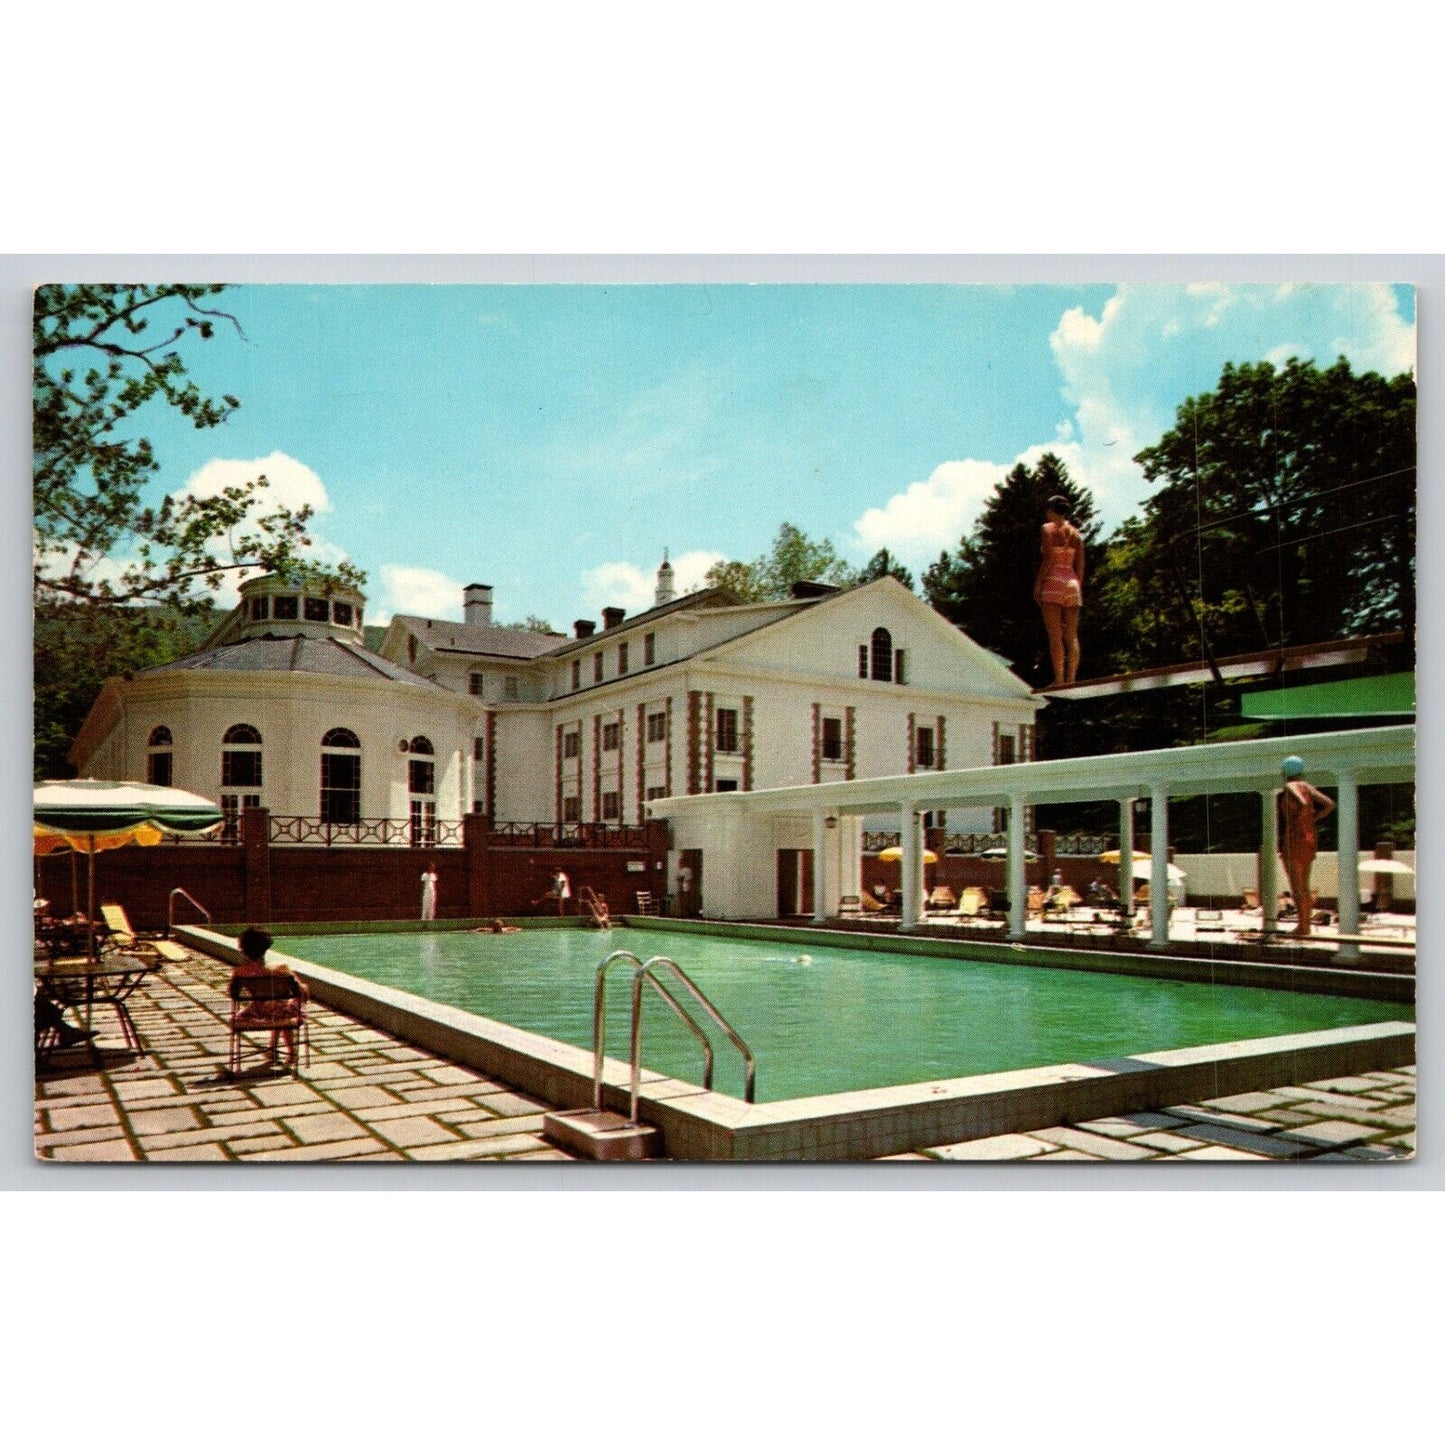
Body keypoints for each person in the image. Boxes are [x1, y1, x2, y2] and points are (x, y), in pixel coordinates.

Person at [230, 926, 307, 1070]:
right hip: (281, 1013)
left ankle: (272, 1049)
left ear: (243, 950)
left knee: (271, 1007)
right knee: (280, 1010)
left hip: (257, 1013)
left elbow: (233, 993)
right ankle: (291, 1053)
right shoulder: (282, 968)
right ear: (266, 947)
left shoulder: (240, 972)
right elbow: (299, 990)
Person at [1277, 756, 1335, 938]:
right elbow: (1329, 805)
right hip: (1309, 837)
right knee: (1305, 886)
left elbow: (1301, 803)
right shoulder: (1308, 787)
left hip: (1295, 838)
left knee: (1296, 887)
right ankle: (1305, 927)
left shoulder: (1290, 786)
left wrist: (1296, 821)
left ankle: (1303, 928)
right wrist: (1311, 820)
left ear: (1285, 772)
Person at [1032, 494, 1084, 687]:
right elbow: (1080, 565)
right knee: (1071, 636)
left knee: (1055, 636)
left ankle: (1060, 679)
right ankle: (1072, 678)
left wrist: (1038, 584)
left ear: (1053, 511)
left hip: (1053, 581)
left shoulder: (1047, 529)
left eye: (1048, 510)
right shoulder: (1077, 534)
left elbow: (1048, 560)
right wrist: (1078, 586)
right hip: (1072, 582)